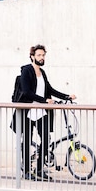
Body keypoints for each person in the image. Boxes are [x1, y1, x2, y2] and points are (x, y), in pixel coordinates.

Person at [18, 44, 76, 181]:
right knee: (26, 141)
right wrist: (44, 100)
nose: (42, 58)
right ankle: (26, 171)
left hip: (41, 112)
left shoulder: (42, 73)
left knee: (45, 139)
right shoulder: (27, 71)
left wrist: (66, 96)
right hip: (28, 111)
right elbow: (27, 92)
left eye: (43, 55)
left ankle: (38, 169)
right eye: (39, 55)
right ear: (32, 56)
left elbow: (50, 90)